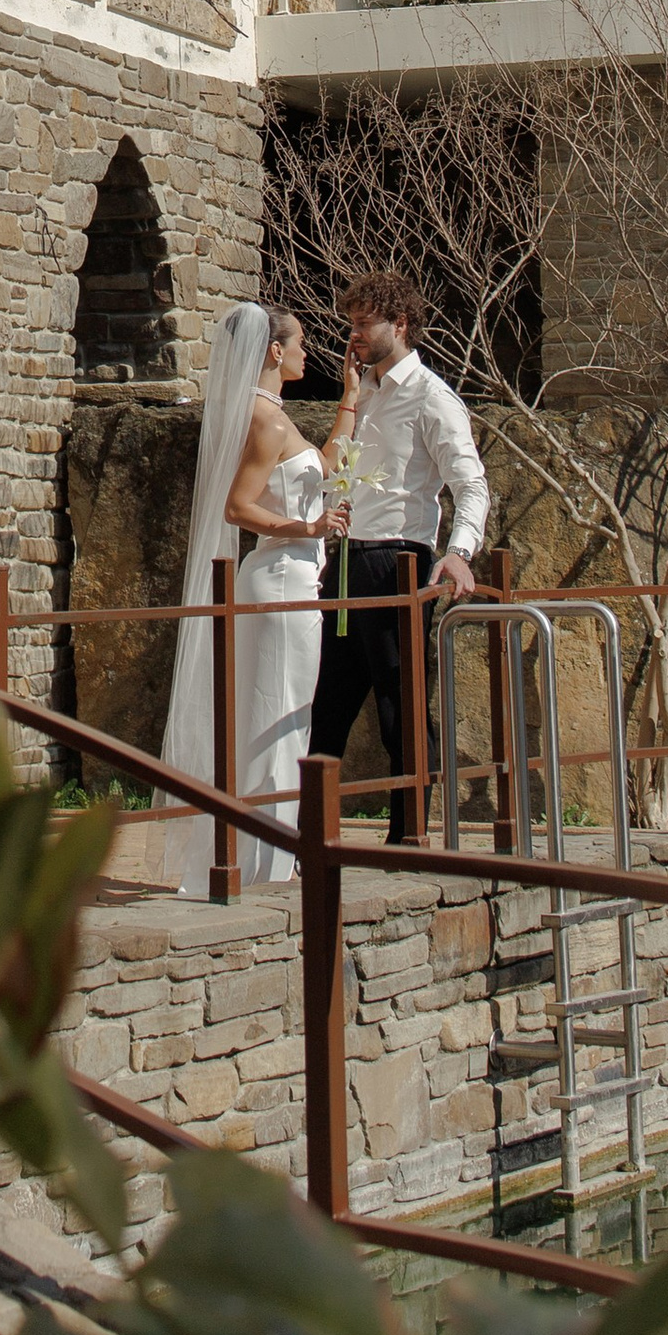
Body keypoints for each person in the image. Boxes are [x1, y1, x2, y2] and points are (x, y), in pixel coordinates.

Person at [158, 303, 353, 882]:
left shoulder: (270, 412)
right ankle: (266, 859)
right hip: (279, 579)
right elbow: (237, 507)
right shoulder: (264, 420)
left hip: (290, 577)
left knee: (287, 715)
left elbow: (320, 464)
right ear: (274, 351)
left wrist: (351, 399)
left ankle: (275, 852)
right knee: (275, 715)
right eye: (297, 344)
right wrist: (309, 528)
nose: (304, 353)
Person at [305, 270, 489, 842]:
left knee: (398, 702)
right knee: (328, 703)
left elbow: (472, 483)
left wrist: (458, 552)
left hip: (396, 561)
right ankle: (313, 834)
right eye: (351, 324)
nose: (353, 335)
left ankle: (408, 832)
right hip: (347, 563)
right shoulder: (367, 393)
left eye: (364, 325)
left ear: (400, 325)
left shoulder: (433, 397)